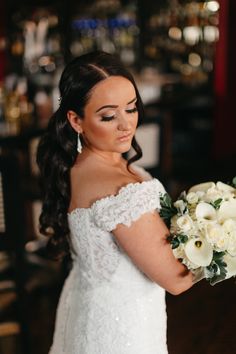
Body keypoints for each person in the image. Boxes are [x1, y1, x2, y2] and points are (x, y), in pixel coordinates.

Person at [37, 51, 194, 354]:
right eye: (108, 116)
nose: (126, 125)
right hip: (123, 330)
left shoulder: (77, 166)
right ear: (76, 120)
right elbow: (176, 281)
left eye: (131, 108)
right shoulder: (120, 190)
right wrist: (224, 241)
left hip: (86, 312)